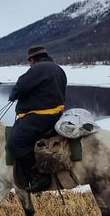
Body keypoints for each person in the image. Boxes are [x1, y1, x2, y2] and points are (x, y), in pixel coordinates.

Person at [7, 45, 67, 192]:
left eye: (29, 61)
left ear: (32, 60)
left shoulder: (38, 69)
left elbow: (20, 87)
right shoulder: (58, 69)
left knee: (15, 143)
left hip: (41, 117)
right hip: (56, 114)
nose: (30, 64)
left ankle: (40, 176)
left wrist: (13, 96)